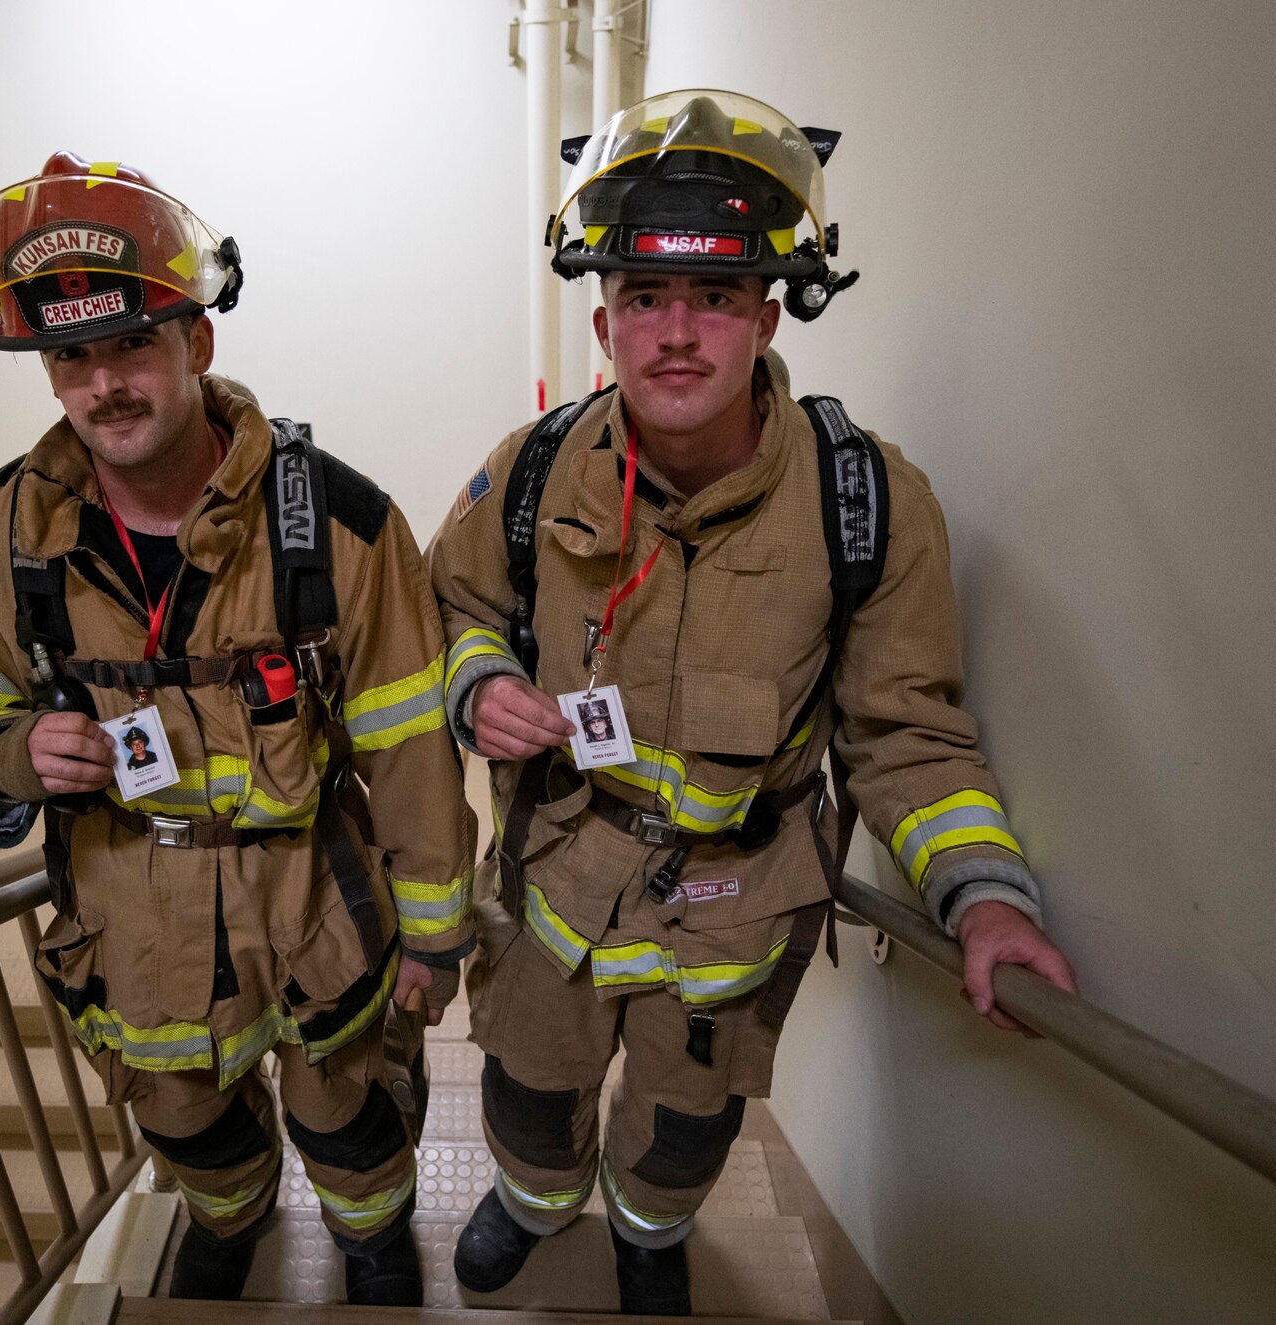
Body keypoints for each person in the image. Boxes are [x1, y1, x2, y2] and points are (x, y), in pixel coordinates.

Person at [427, 91, 1076, 1316]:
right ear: (605, 318)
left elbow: (906, 733)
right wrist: (481, 681)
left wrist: (984, 897)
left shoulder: (868, 502)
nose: (676, 333)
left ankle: (646, 1234)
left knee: (682, 1130)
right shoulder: (525, 473)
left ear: (767, 314)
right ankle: (528, 1201)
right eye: (643, 298)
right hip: (549, 887)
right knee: (524, 1088)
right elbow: (448, 607)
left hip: (736, 915)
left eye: (714, 298)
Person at [0, 153, 473, 1305]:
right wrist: (11, 752)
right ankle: (231, 1219)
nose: (104, 383)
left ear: (194, 344)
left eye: (129, 346)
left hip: (315, 905)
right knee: (189, 1125)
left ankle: (368, 1244)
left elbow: (411, 748)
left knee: (349, 1118)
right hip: (128, 919)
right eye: (71, 357)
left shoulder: (340, 526)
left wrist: (431, 936)